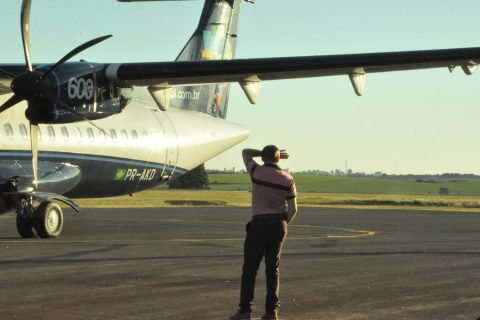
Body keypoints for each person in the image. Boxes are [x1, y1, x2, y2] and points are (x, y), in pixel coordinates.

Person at [230, 145, 298, 320]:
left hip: (259, 224)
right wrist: (283, 222)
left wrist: (263, 153)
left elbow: (245, 151)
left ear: (263, 158)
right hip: (278, 225)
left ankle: (245, 311)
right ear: (278, 159)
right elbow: (293, 209)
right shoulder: (288, 179)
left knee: (250, 269)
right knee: (272, 270)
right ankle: (271, 312)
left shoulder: (256, 171)